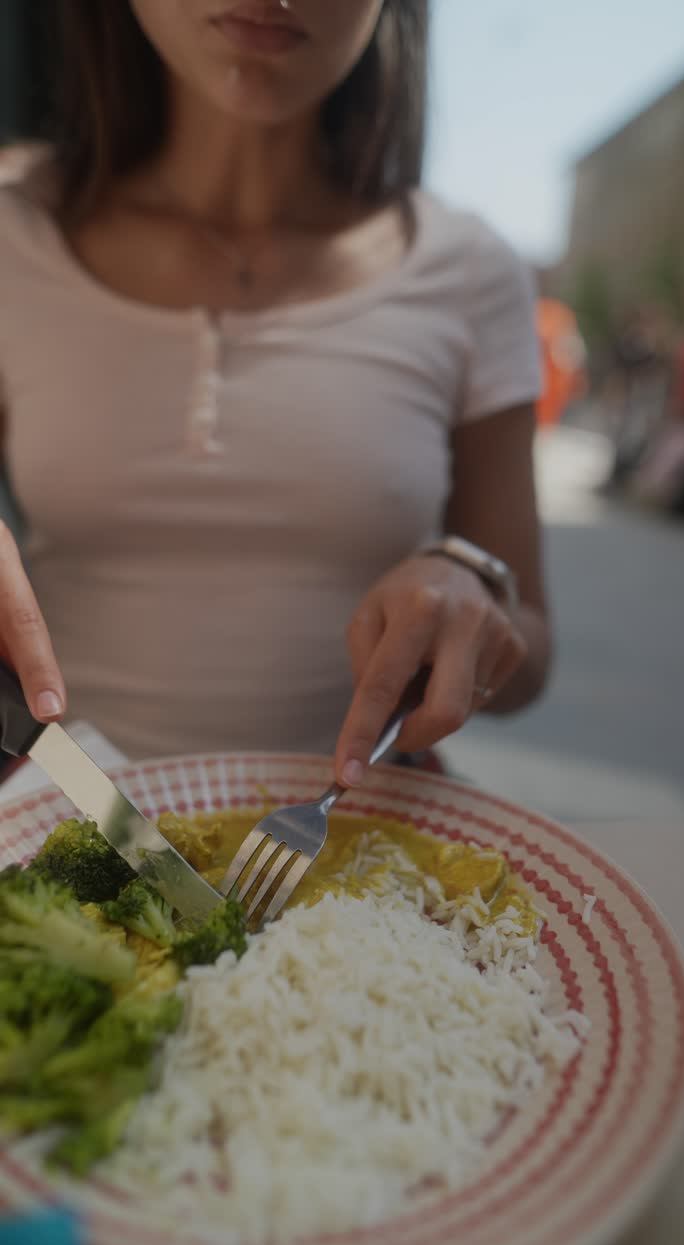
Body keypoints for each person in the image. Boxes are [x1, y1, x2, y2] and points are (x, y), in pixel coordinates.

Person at [0, 0, 549, 789]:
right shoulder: (16, 228)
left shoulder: (470, 271)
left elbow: (534, 645)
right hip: (65, 813)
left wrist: (474, 598)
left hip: (356, 840)